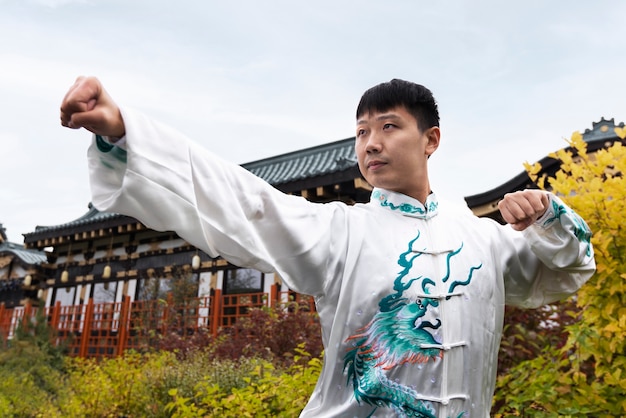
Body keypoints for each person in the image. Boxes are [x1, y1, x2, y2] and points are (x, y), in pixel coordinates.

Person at [60, 77, 595, 418]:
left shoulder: (484, 240)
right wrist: (126, 132)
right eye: (361, 133)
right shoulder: (342, 231)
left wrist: (550, 216)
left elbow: (568, 269)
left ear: (431, 139)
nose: (372, 144)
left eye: (389, 127)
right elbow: (250, 204)